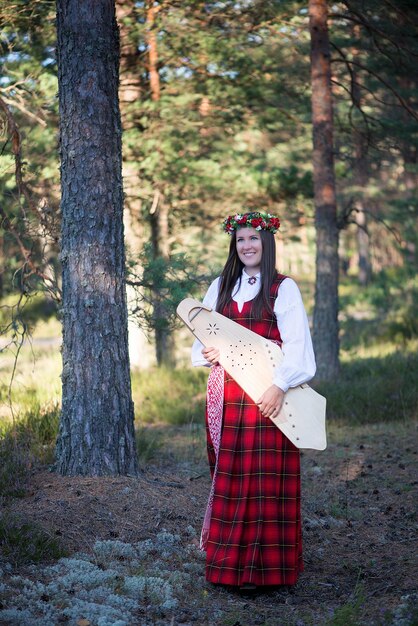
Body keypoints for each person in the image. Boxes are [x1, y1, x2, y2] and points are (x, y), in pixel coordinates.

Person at [191, 210, 316, 590]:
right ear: (235, 245)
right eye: (241, 239)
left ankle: (269, 572)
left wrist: (279, 386)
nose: (247, 246)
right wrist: (209, 351)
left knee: (265, 485)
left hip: (269, 397)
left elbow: (299, 349)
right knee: (230, 478)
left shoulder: (283, 288)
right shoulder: (222, 285)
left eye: (253, 239)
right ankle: (229, 569)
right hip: (228, 395)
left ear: (267, 243)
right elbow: (201, 338)